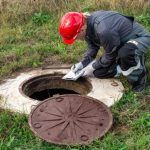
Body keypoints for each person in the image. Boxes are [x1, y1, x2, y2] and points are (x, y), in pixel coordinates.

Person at [59, 11, 150, 92]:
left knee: (126, 53)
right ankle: (122, 65)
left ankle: (140, 80)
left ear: (81, 29)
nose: (77, 40)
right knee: (98, 73)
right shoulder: (87, 25)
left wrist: (92, 66)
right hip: (118, 44)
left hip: (139, 38)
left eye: (76, 37)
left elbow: (110, 56)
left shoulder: (104, 30)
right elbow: (93, 47)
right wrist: (83, 63)